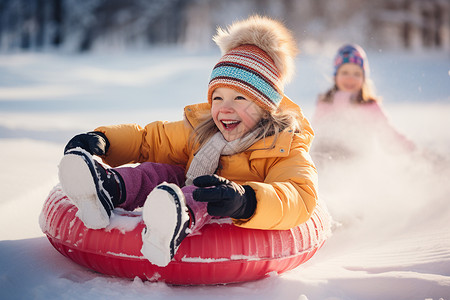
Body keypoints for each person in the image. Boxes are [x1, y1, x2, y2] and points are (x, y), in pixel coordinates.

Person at [58, 15, 318, 267]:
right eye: (217, 98)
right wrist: (105, 139)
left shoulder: (283, 145)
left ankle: (173, 222)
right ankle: (108, 188)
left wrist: (247, 200)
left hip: (228, 204)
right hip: (183, 188)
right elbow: (151, 140)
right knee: (159, 171)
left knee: (203, 192)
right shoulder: (202, 129)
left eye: (239, 99)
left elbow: (299, 194)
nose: (224, 109)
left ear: (265, 107)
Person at [311, 44, 415, 163]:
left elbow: (388, 134)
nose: (351, 78)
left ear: (364, 78)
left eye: (357, 74)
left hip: (358, 159)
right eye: (345, 73)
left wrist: (411, 149)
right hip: (325, 159)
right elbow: (314, 131)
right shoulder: (326, 103)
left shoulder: (369, 106)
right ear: (335, 76)